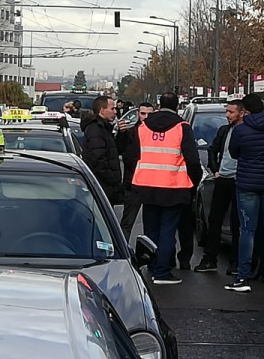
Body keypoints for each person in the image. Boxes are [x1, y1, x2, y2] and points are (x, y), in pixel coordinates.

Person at [122, 92, 202, 285]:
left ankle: (151, 263)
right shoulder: (182, 127)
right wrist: (194, 181)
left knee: (151, 229)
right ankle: (162, 271)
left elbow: (132, 155)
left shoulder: (143, 126)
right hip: (173, 186)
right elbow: (192, 159)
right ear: (176, 106)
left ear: (159, 105)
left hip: (146, 185)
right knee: (168, 229)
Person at [225, 93, 264, 294]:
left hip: (247, 184)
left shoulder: (241, 130)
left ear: (245, 110)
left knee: (247, 230)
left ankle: (243, 277)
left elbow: (234, 153)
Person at [194, 99, 244, 274]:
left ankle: (236, 263)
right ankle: (210, 259)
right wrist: (215, 170)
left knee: (237, 222)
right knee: (214, 219)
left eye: (231, 112)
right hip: (222, 180)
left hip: (239, 181)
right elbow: (212, 150)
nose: (227, 115)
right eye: (227, 111)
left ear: (242, 113)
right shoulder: (224, 131)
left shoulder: (245, 132)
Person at [81, 95, 125, 208]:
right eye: (112, 108)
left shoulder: (104, 128)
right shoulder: (96, 130)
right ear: (102, 110)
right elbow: (98, 160)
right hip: (101, 187)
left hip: (105, 187)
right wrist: (113, 181)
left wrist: (122, 134)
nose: (115, 112)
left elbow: (115, 150)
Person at [119, 102, 154, 242]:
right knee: (127, 222)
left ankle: (152, 255)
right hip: (133, 183)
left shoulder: (158, 135)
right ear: (138, 114)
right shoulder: (130, 133)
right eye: (142, 113)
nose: (145, 117)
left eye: (149, 114)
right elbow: (122, 151)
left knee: (152, 225)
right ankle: (122, 251)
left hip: (151, 184)